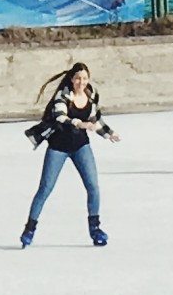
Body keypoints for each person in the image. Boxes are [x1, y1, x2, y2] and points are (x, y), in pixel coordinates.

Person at [19, 61, 118, 247]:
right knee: (45, 189)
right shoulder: (63, 95)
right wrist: (79, 123)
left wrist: (109, 133)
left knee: (93, 186)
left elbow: (95, 119)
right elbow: (60, 116)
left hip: (81, 146)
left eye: (85, 78)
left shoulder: (91, 94)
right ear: (72, 79)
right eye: (78, 78)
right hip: (58, 147)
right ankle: (29, 229)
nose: (82, 82)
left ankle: (95, 229)